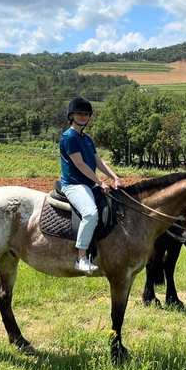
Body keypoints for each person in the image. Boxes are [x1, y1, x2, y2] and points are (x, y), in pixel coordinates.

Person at [60, 97, 122, 274]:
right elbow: (79, 164)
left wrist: (115, 177)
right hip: (74, 184)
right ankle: (81, 258)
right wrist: (100, 182)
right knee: (90, 214)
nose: (83, 116)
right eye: (79, 113)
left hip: (89, 184)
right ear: (71, 115)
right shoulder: (68, 137)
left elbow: (98, 162)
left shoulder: (86, 138)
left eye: (86, 114)